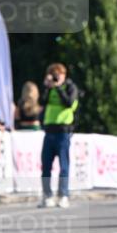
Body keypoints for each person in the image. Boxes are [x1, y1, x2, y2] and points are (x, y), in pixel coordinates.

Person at [39, 63, 79, 209]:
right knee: (45, 166)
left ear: (64, 75)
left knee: (63, 166)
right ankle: (47, 195)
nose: (55, 78)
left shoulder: (70, 87)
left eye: (58, 75)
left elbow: (68, 103)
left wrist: (58, 87)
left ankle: (63, 195)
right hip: (49, 131)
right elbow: (41, 102)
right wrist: (47, 87)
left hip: (63, 131)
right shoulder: (49, 89)